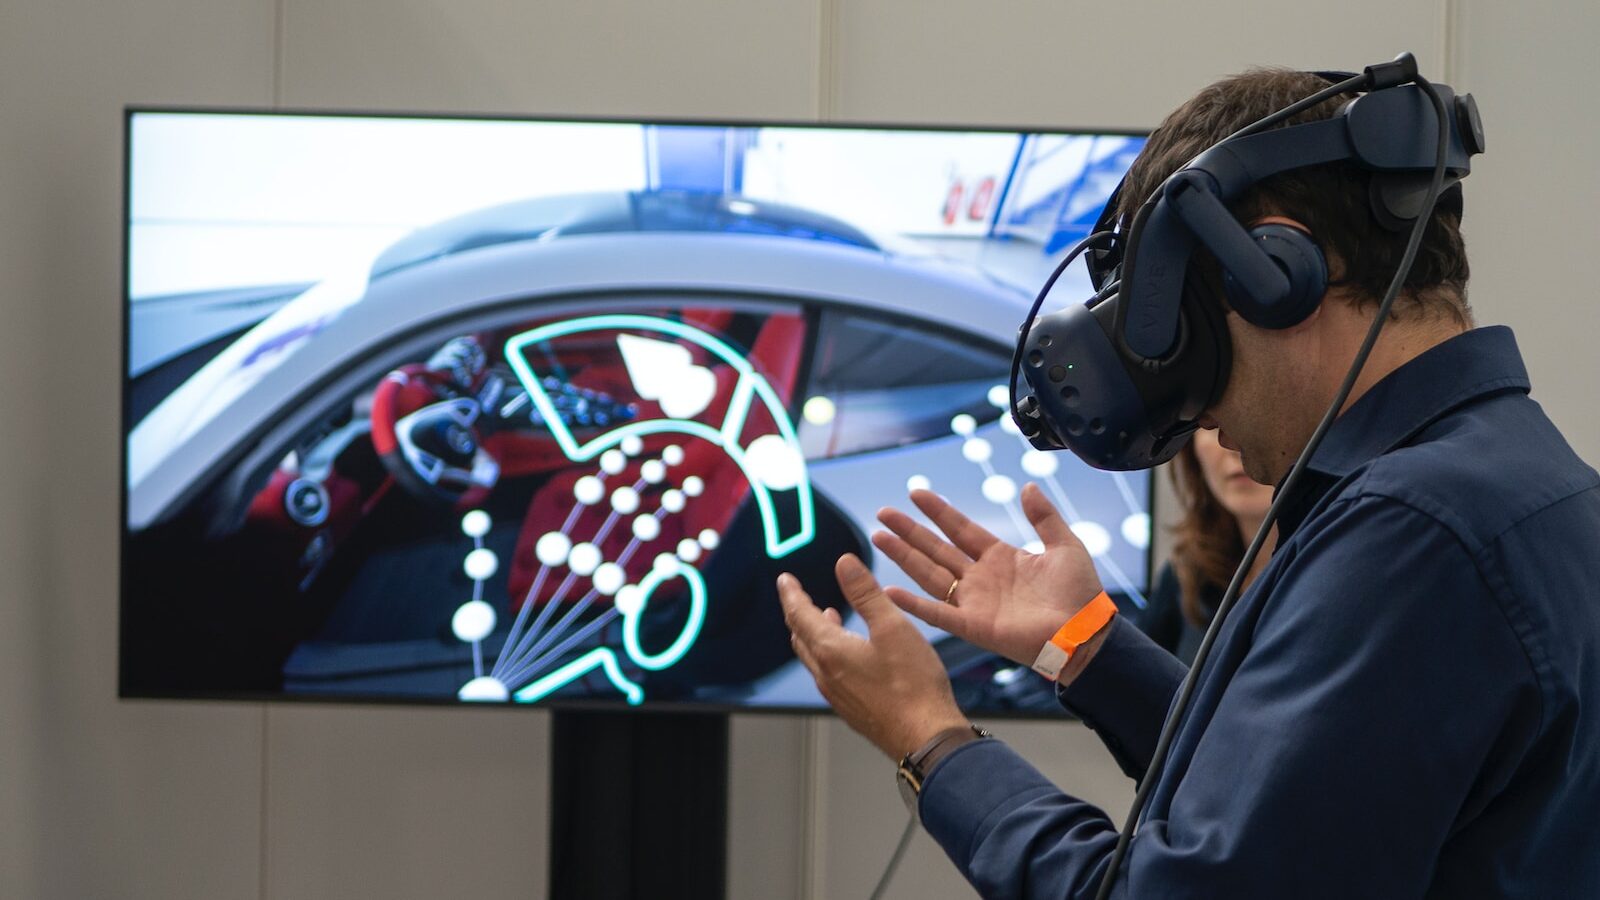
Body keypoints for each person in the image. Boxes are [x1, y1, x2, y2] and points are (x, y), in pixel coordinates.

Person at [776, 66, 1600, 898]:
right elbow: (1293, 812)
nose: (1192, 407)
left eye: (1185, 326)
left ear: (1276, 271)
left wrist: (931, 737)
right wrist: (1088, 648)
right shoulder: (1514, 482)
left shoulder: (1416, 531)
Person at [1136, 429, 1275, 664]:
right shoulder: (1187, 575)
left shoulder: (1338, 571)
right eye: (1215, 426)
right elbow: (1133, 690)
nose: (1235, 446)